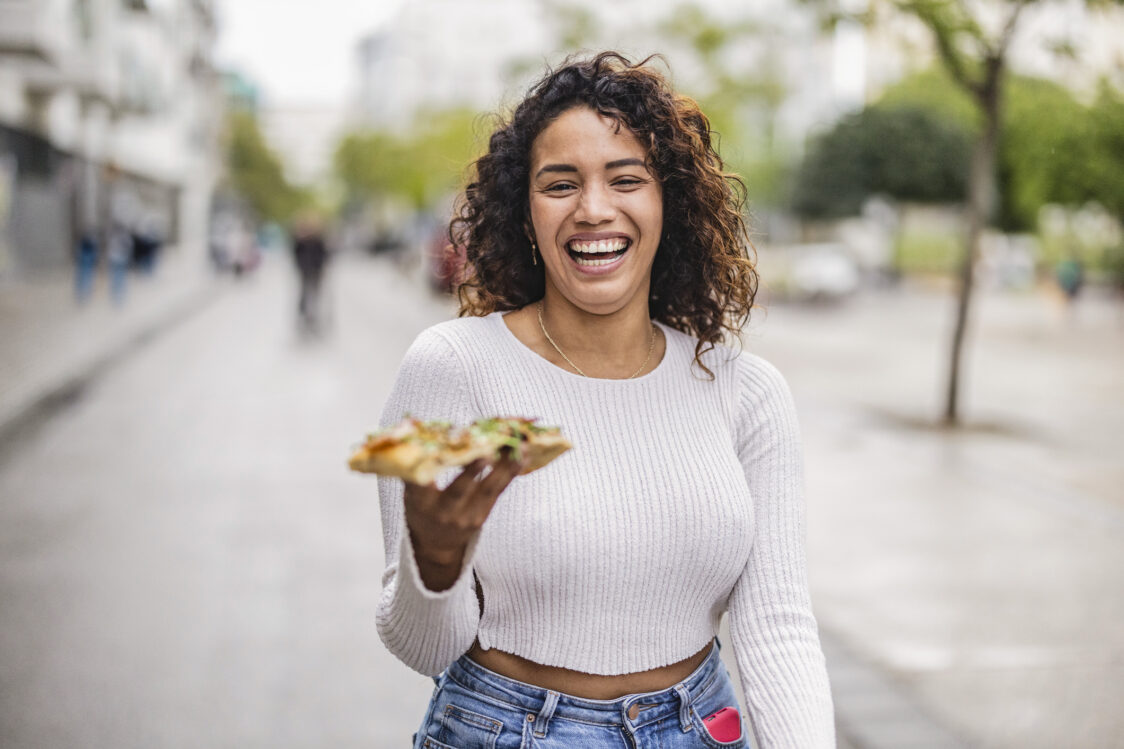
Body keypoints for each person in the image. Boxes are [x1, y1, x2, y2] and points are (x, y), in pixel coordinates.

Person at [375, 52, 835, 748]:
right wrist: (433, 571)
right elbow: (425, 648)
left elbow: (778, 628)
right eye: (561, 183)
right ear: (524, 211)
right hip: (503, 729)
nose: (594, 209)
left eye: (626, 179)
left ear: (667, 204)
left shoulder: (747, 391)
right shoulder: (453, 367)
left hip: (703, 727)